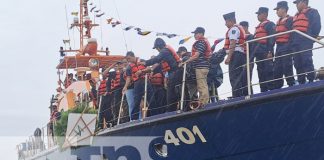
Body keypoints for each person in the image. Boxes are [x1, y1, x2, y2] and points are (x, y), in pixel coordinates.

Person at [142, 38, 182, 112]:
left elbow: (156, 59)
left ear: (158, 46)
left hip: (174, 73)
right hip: (173, 73)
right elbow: (156, 67)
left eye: (156, 48)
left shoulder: (164, 51)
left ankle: (171, 111)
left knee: (171, 94)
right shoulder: (166, 51)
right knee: (172, 93)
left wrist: (145, 63)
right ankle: (173, 109)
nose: (157, 50)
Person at [291, 0, 321, 84]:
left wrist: (311, 38)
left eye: (297, 3)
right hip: (295, 42)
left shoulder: (312, 12)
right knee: (297, 62)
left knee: (306, 60)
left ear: (303, 2)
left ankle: (311, 80)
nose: (296, 5)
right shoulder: (296, 15)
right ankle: (301, 81)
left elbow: (317, 26)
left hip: (305, 40)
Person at [182, 27, 211, 106]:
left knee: (202, 86)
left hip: (201, 67)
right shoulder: (203, 41)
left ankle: (203, 103)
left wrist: (186, 62)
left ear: (201, 34)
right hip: (204, 66)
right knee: (202, 85)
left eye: (196, 33)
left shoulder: (201, 42)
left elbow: (196, 55)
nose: (194, 35)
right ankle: (202, 102)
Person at [123, 51, 156, 120]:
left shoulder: (143, 61)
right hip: (137, 83)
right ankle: (134, 119)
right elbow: (128, 77)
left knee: (151, 99)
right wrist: (125, 86)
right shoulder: (129, 67)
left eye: (129, 59)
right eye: (127, 60)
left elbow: (150, 69)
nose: (128, 61)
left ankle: (154, 115)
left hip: (146, 81)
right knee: (136, 102)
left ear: (133, 56)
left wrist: (142, 71)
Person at [222, 12, 248, 97]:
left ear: (230, 21)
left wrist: (229, 57)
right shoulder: (239, 28)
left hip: (236, 54)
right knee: (241, 75)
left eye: (226, 22)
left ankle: (237, 95)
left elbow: (232, 43)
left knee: (234, 76)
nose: (225, 24)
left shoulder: (233, 29)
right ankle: (243, 93)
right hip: (241, 54)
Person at [273, 1, 296, 89]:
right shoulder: (278, 22)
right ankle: (277, 86)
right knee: (277, 67)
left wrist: (290, 46)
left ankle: (291, 84)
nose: (276, 12)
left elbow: (292, 34)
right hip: (278, 47)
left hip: (286, 45)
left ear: (283, 9)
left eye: (277, 9)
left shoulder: (290, 19)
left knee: (287, 65)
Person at [254, 7, 276, 92]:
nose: (258, 16)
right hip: (259, 53)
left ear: (265, 14)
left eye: (259, 14)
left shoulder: (270, 24)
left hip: (266, 51)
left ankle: (271, 89)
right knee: (260, 72)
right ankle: (263, 90)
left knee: (268, 70)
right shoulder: (258, 27)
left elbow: (271, 38)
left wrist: (270, 51)